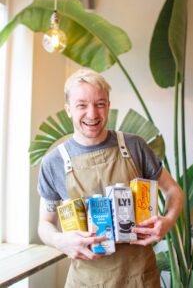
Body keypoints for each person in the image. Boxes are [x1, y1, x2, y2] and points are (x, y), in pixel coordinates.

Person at [37, 68, 184, 288]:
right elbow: (45, 224)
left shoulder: (135, 146)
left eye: (99, 103)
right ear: (68, 109)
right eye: (81, 105)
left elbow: (174, 191)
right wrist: (60, 240)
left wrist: (168, 220)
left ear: (108, 105)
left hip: (139, 278)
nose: (92, 114)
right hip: (86, 280)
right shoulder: (53, 163)